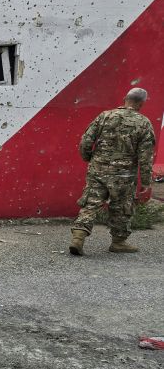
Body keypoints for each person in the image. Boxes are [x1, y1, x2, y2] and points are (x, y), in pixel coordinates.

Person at [69, 88, 156, 255]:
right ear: (141, 103)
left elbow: (86, 141)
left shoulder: (105, 116)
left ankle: (78, 237)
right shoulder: (144, 123)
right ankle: (119, 242)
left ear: (125, 99)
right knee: (121, 207)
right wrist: (146, 181)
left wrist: (89, 159)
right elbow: (146, 156)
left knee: (91, 203)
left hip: (98, 170)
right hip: (124, 176)